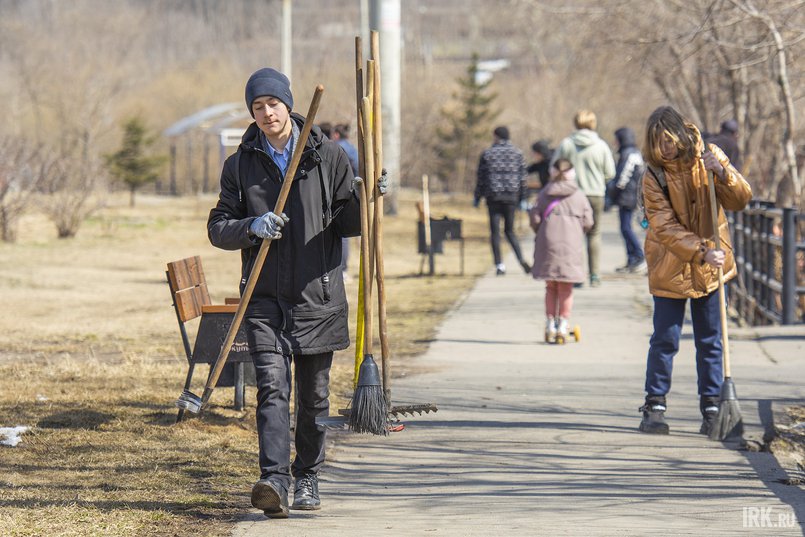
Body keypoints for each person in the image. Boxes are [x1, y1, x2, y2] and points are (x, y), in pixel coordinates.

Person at [207, 68, 363, 518]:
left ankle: (307, 475)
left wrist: (363, 196)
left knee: (313, 398)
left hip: (318, 296)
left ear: (288, 105)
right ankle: (274, 479)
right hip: (264, 298)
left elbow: (348, 227)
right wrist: (251, 227)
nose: (266, 113)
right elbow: (219, 228)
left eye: (273, 104)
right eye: (257, 107)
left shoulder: (326, 155)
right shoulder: (241, 164)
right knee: (272, 390)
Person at [637, 105, 751, 436]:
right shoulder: (653, 175)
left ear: (681, 135)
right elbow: (662, 225)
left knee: (711, 339)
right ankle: (655, 404)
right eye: (658, 143)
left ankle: (713, 405)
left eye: (669, 141)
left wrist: (724, 172)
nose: (665, 149)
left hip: (713, 268)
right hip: (670, 265)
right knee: (665, 338)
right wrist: (702, 250)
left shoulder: (709, 156)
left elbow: (741, 199)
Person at [529, 159, 593, 343]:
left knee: (550, 286)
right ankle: (564, 324)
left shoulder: (544, 193)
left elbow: (534, 218)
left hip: (547, 244)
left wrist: (540, 230)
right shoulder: (579, 195)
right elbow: (589, 221)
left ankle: (550, 323)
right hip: (571, 245)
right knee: (566, 287)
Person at [551, 110, 616, 287]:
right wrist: (599, 179)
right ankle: (594, 275)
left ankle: (577, 275)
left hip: (571, 195)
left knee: (574, 234)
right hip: (595, 194)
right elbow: (610, 172)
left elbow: (554, 168)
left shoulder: (566, 144)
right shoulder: (601, 145)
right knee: (594, 233)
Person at [474, 126, 531, 276]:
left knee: (495, 232)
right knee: (510, 231)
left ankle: (500, 265)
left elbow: (481, 178)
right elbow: (523, 178)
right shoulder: (518, 154)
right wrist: (523, 198)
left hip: (494, 197)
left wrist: (477, 197)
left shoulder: (487, 154)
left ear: (496, 136)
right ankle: (521, 259)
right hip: (511, 197)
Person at [608, 127, 646, 273]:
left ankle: (638, 256)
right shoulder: (632, 153)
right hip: (629, 195)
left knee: (626, 228)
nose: (615, 142)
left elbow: (622, 179)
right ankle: (631, 259)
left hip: (628, 196)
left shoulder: (628, 154)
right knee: (625, 228)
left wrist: (612, 193)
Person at [331, 123, 360, 282]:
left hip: (348, 193)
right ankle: (343, 269)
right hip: (355, 192)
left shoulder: (339, 149)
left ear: (336, 135)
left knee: (342, 235)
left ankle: (342, 269)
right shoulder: (351, 147)